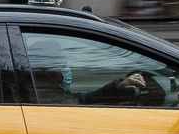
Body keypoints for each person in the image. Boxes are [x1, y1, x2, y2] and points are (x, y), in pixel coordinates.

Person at [25, 38, 156, 105]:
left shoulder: (50, 91)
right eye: (62, 63)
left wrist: (118, 88)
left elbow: (83, 99)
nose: (67, 69)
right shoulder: (48, 99)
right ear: (49, 71)